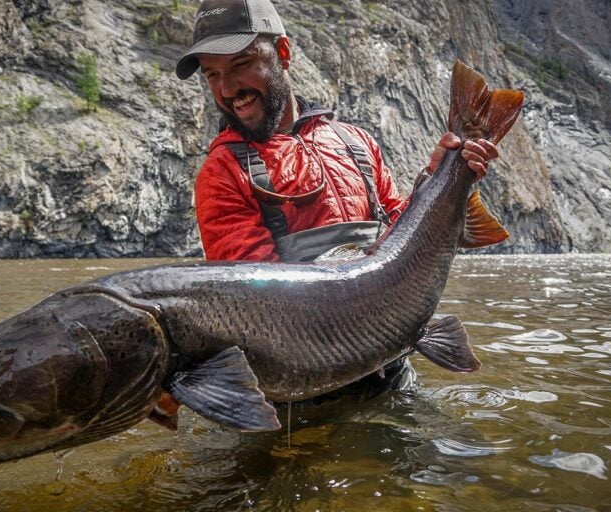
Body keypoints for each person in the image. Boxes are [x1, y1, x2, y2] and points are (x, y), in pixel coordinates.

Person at [175, 0, 498, 398]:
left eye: (241, 64)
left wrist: (439, 182)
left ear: (283, 53)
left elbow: (408, 244)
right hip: (308, 400)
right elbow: (258, 316)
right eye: (212, 75)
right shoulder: (221, 173)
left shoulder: (355, 143)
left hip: (394, 378)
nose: (227, 90)